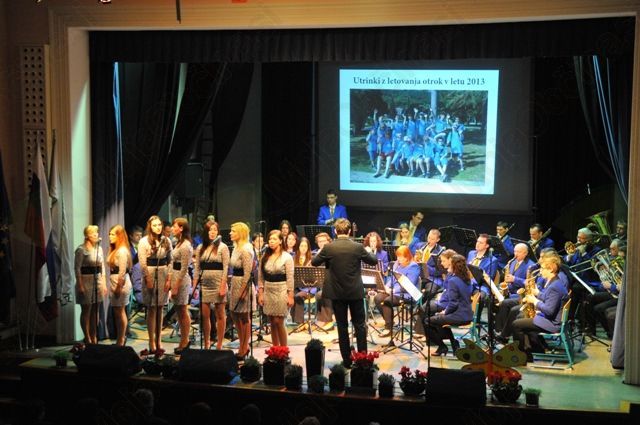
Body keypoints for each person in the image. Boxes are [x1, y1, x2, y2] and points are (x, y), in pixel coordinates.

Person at [311, 218, 377, 367]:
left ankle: (347, 361)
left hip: (337, 293)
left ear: (335, 231)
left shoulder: (329, 248)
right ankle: (362, 360)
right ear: (349, 231)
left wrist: (322, 251)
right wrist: (368, 250)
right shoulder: (358, 247)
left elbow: (314, 262)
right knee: (360, 326)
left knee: (342, 326)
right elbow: (373, 261)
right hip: (355, 292)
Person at [512, 253, 568, 362]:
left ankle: (522, 357)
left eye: (542, 268)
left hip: (553, 324)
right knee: (521, 318)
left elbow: (549, 311)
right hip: (552, 320)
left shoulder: (554, 286)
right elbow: (548, 297)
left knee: (516, 324)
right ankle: (534, 349)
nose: (540, 271)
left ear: (551, 269)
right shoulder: (555, 282)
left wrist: (535, 301)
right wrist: (537, 293)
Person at [423, 253, 473, 356]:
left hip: (459, 315)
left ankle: (442, 346)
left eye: (449, 264)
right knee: (439, 320)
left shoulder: (453, 281)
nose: (447, 266)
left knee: (427, 321)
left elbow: (453, 303)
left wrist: (445, 312)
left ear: (454, 266)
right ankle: (454, 343)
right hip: (467, 314)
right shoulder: (466, 278)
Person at [138, 215, 172, 355]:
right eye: (155, 225)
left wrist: (169, 278)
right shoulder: (143, 241)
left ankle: (159, 340)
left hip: (163, 273)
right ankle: (151, 340)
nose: (158, 227)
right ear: (150, 227)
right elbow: (142, 262)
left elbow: (170, 260)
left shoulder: (166, 240)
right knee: (151, 308)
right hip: (150, 273)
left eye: (159, 225)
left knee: (160, 308)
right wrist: (147, 278)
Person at [193, 220, 229, 350]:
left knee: (220, 314)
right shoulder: (200, 247)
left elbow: (226, 268)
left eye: (215, 230)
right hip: (205, 285)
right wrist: (194, 285)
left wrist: (223, 286)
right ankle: (207, 342)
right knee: (205, 315)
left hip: (218, 283)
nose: (212, 232)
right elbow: (197, 268)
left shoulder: (223, 247)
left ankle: (219, 343)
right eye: (210, 230)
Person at [257, 229, 294, 347]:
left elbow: (290, 278)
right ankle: (275, 349)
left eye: (274, 239)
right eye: (270, 239)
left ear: (280, 241)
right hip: (268, 289)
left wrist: (290, 296)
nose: (271, 241)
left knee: (279, 321)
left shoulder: (287, 257)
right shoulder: (265, 256)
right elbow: (261, 277)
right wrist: (261, 293)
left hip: (281, 289)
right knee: (272, 321)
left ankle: (284, 350)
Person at [374, 246, 420, 338]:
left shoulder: (413, 266)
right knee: (378, 298)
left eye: (400, 257)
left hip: (407, 294)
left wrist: (393, 290)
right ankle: (389, 321)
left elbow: (409, 284)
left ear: (407, 257)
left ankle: (388, 327)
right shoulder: (397, 265)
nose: (398, 259)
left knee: (387, 301)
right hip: (394, 292)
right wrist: (386, 287)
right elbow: (392, 278)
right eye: (397, 256)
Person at [74, 225, 107, 344]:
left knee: (95, 310)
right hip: (85, 280)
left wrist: (104, 284)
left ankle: (94, 337)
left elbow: (102, 267)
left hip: (97, 280)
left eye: (97, 232)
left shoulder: (99, 249)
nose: (96, 235)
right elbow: (77, 268)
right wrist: (80, 284)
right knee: (86, 310)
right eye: (93, 233)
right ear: (87, 235)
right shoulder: (81, 250)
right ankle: (87, 337)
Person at [229, 222, 255, 359]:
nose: (230, 233)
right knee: (234, 313)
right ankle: (242, 343)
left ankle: (244, 347)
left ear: (241, 233)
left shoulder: (246, 249)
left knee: (244, 316)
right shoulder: (235, 248)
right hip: (235, 282)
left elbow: (247, 272)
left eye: (233, 231)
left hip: (243, 283)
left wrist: (243, 290)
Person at [168, 218, 194, 354]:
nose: (172, 229)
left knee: (183, 310)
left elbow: (184, 268)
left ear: (181, 228)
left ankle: (185, 340)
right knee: (178, 311)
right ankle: (183, 340)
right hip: (175, 277)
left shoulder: (186, 245)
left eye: (174, 226)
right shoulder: (177, 243)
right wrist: (170, 281)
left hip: (182, 280)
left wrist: (176, 285)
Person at [107, 224, 132, 346]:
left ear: (119, 236)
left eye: (113, 234)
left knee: (120, 311)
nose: (110, 236)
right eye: (109, 234)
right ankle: (120, 338)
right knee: (117, 312)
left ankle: (121, 339)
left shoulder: (122, 251)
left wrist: (118, 287)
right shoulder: (115, 249)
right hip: (114, 281)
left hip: (120, 284)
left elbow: (122, 271)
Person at [290, 237, 315, 324]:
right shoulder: (293, 258)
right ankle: (295, 320)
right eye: (301, 246)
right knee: (291, 295)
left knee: (298, 296)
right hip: (296, 286)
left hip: (309, 288)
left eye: (305, 246)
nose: (303, 248)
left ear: (308, 248)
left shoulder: (312, 258)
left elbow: (315, 276)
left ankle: (299, 322)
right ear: (298, 247)